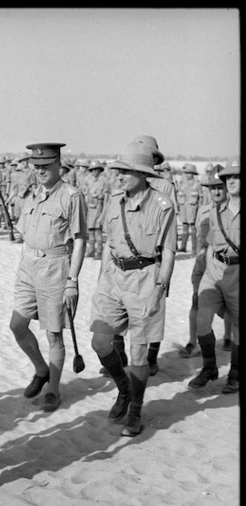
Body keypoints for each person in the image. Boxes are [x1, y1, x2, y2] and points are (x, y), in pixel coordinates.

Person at [89, 141, 176, 437]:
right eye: (118, 170)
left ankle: (135, 409)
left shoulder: (162, 205)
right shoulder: (113, 201)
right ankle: (123, 389)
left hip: (145, 279)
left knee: (139, 355)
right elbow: (107, 244)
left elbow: (168, 252)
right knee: (100, 342)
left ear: (142, 174)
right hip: (113, 276)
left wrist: (160, 287)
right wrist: (102, 277)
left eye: (125, 171)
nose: (119, 176)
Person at [9, 142, 88, 413]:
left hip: (55, 268)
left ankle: (53, 389)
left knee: (54, 334)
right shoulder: (33, 194)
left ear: (58, 164)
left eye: (46, 165)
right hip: (28, 266)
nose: (40, 171)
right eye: (36, 166)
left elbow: (79, 240)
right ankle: (41, 370)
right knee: (17, 325)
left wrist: (72, 280)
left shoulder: (71, 196)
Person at [188, 158, 240, 394]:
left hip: (237, 274)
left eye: (236, 177)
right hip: (215, 271)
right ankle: (209, 368)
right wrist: (205, 277)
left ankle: (235, 373)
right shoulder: (215, 211)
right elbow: (209, 246)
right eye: (228, 178)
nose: (231, 182)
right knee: (202, 319)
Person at [179, 165, 229, 357]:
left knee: (229, 304)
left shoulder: (233, 210)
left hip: (225, 263)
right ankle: (193, 341)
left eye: (219, 186)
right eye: (211, 187)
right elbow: (200, 237)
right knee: (196, 302)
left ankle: (227, 337)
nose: (215, 191)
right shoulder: (203, 210)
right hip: (203, 260)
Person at [177, 163, 202, 252]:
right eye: (186, 173)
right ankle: (183, 247)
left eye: (190, 173)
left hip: (193, 210)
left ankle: (194, 248)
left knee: (193, 229)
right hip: (184, 209)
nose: (188, 175)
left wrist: (199, 211)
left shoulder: (197, 185)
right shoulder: (181, 184)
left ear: (193, 174)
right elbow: (178, 197)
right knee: (184, 228)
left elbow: (200, 199)